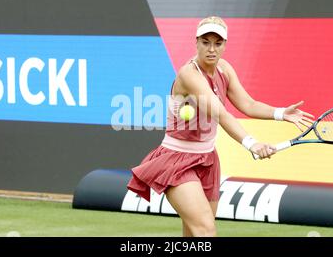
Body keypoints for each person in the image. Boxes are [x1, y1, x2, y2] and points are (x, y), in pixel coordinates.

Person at [127, 16, 314, 237]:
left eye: (218, 43)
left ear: (225, 45)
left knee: (193, 232)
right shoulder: (189, 75)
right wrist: (252, 144)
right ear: (196, 42)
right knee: (205, 230)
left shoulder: (224, 69)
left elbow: (248, 104)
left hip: (207, 160)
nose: (211, 49)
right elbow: (221, 114)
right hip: (177, 161)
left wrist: (281, 113)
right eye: (205, 42)